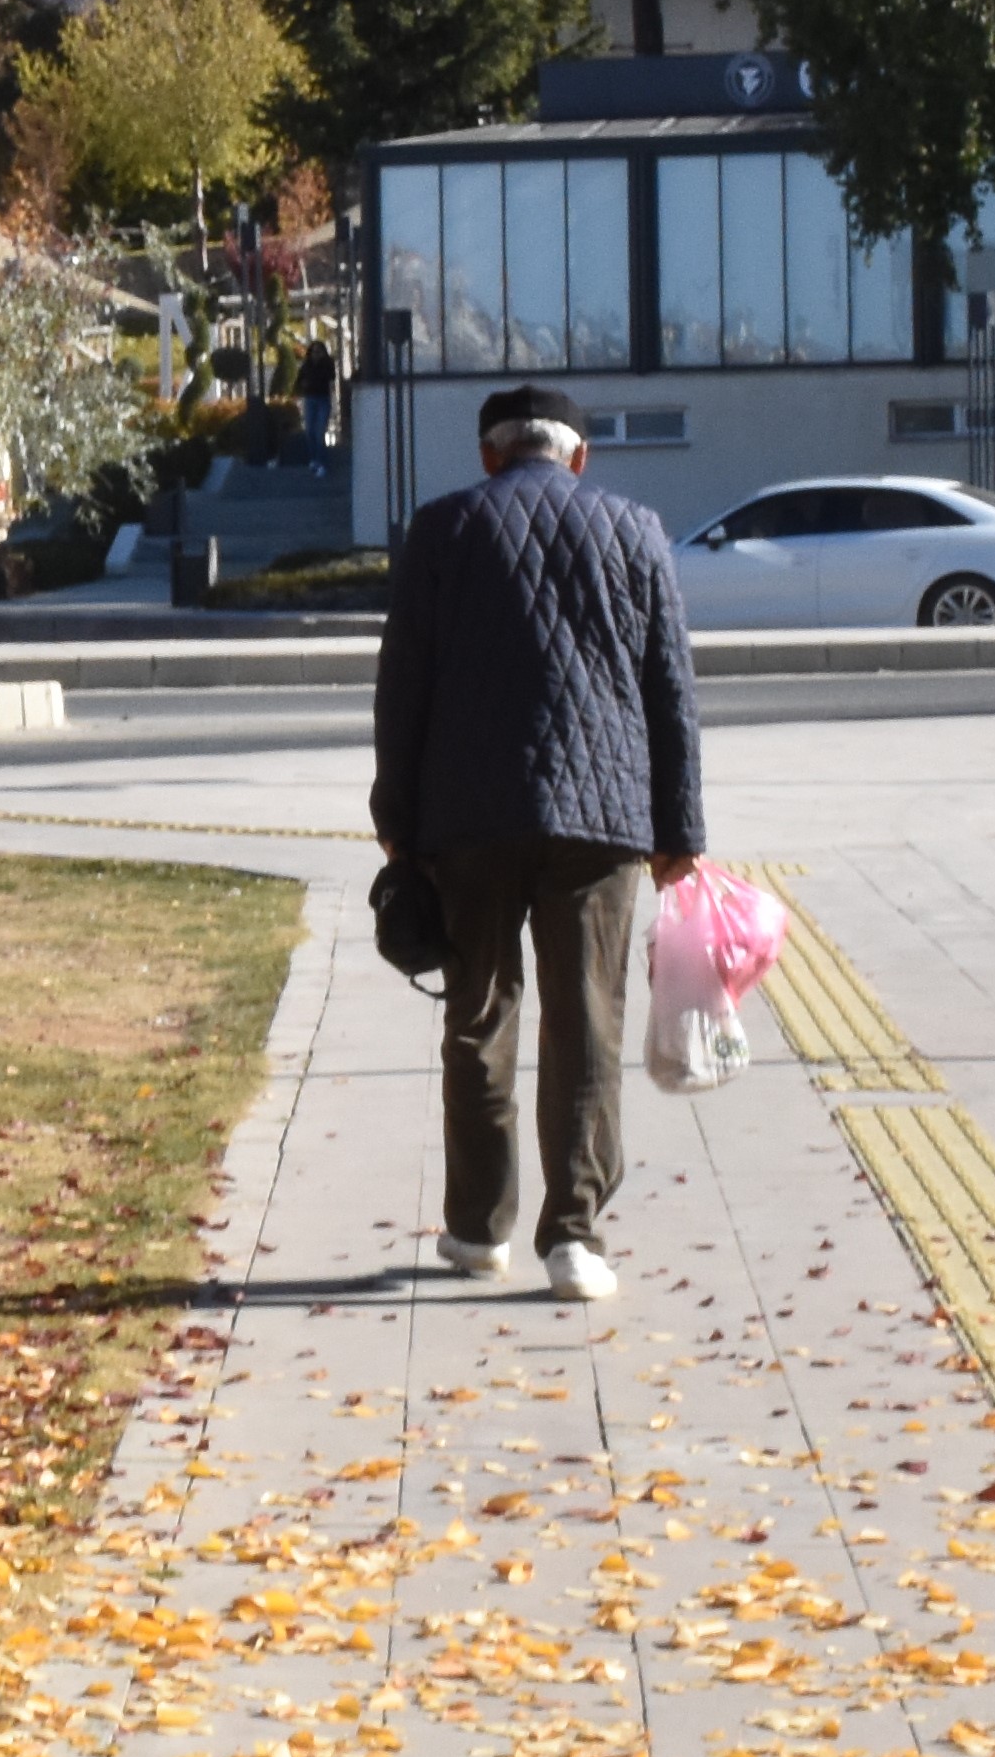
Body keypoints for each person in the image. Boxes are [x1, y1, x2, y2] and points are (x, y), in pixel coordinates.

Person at [367, 381, 705, 1303]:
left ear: (489, 455)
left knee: (478, 1013)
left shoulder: (442, 531)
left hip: (467, 815)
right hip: (602, 819)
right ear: (578, 456)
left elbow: (403, 685)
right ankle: (576, 1238)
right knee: (585, 1018)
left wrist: (395, 817)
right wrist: (681, 828)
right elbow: (669, 686)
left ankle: (479, 1230)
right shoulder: (635, 529)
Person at [294, 334, 342, 469]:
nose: (316, 354)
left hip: (323, 399)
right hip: (309, 398)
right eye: (314, 351)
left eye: (319, 351)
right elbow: (299, 380)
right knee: (309, 431)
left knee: (320, 431)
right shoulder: (306, 365)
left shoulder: (327, 364)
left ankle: (321, 462)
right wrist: (301, 388)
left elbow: (331, 378)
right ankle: (313, 459)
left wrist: (322, 363)